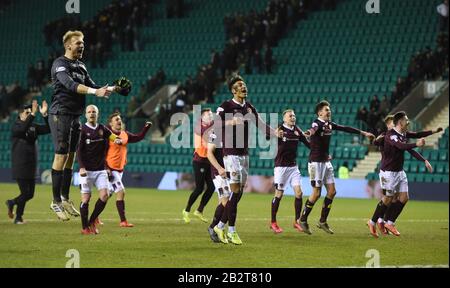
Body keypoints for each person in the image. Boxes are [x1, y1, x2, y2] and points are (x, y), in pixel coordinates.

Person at [49, 30, 123, 220]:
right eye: (78, 43)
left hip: (75, 116)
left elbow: (94, 85)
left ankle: (65, 198)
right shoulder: (60, 64)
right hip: (60, 114)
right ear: (68, 46)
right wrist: (93, 91)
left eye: (83, 42)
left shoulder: (81, 65)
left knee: (71, 157)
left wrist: (112, 88)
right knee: (61, 155)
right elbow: (70, 85)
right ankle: (55, 201)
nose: (82, 45)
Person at [212, 74, 282, 245]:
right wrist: (230, 123)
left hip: (244, 154)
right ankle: (230, 230)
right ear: (233, 90)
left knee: (238, 193)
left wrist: (274, 133)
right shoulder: (226, 106)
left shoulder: (249, 107)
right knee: (235, 191)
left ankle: (220, 226)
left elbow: (260, 123)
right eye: (240, 85)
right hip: (231, 153)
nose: (244, 87)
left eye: (244, 85)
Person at [300, 100, 375, 234]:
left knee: (332, 191)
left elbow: (346, 128)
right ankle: (303, 219)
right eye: (326, 109)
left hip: (325, 161)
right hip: (316, 162)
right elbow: (313, 129)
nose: (329, 111)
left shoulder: (329, 124)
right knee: (316, 193)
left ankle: (322, 221)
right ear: (320, 112)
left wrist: (364, 133)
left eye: (329, 109)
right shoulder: (317, 123)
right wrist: (308, 133)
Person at [367, 114, 442, 237]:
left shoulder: (403, 134)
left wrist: (434, 131)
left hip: (399, 172)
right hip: (388, 173)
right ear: (400, 122)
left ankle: (390, 222)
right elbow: (401, 146)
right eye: (406, 120)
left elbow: (417, 135)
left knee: (404, 198)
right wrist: (416, 144)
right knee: (387, 199)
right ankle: (373, 221)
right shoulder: (389, 135)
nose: (408, 122)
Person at [78, 105, 122, 235]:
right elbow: (79, 151)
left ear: (98, 114)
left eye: (94, 112)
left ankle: (91, 222)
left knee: (105, 195)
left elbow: (112, 136)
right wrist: (81, 167)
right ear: (86, 115)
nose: (91, 114)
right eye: (89, 112)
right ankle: (85, 227)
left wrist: (117, 139)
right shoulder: (82, 130)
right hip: (86, 170)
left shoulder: (102, 128)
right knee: (86, 198)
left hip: (100, 169)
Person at [5, 100, 51, 224]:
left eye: (30, 112)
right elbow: (21, 130)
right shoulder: (16, 126)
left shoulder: (33, 126)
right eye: (27, 113)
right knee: (25, 193)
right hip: (20, 164)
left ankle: (16, 212)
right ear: (20, 114)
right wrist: (33, 115)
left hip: (32, 164)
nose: (30, 114)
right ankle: (14, 209)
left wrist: (45, 115)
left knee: (29, 194)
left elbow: (48, 129)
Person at [105, 112, 152, 227]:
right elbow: (101, 153)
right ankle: (123, 221)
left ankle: (94, 218)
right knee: (121, 191)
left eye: (120, 119)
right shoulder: (108, 136)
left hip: (120, 169)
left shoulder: (125, 134)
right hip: (111, 169)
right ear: (111, 123)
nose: (119, 121)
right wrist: (106, 168)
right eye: (116, 119)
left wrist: (146, 128)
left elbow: (138, 137)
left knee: (106, 195)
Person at [270, 109, 310, 234]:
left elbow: (308, 143)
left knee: (299, 193)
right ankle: (273, 222)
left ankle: (297, 221)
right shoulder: (279, 128)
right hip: (281, 167)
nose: (293, 117)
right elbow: (267, 135)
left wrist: (321, 153)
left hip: (293, 167)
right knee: (279, 195)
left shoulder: (297, 130)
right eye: (290, 116)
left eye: (294, 115)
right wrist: (274, 134)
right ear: (284, 119)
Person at [182, 109, 215, 223]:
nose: (211, 115)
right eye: (208, 114)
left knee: (211, 187)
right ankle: (186, 211)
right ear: (202, 117)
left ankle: (199, 210)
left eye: (211, 114)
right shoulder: (198, 128)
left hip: (209, 161)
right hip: (200, 161)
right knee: (199, 188)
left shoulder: (213, 125)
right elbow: (205, 145)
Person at [206, 129, 230, 243]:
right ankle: (213, 227)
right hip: (219, 173)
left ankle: (218, 228)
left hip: (229, 172)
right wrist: (219, 168)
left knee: (222, 202)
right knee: (226, 201)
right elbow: (209, 153)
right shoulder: (215, 133)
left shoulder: (232, 132)